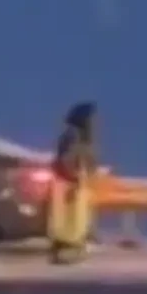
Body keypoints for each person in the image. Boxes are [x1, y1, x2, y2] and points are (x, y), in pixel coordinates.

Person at [48, 101, 98, 264]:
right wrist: (74, 177)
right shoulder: (73, 136)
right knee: (67, 218)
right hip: (69, 182)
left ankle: (70, 247)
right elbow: (67, 159)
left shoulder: (82, 137)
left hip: (75, 181)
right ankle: (65, 249)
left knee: (75, 218)